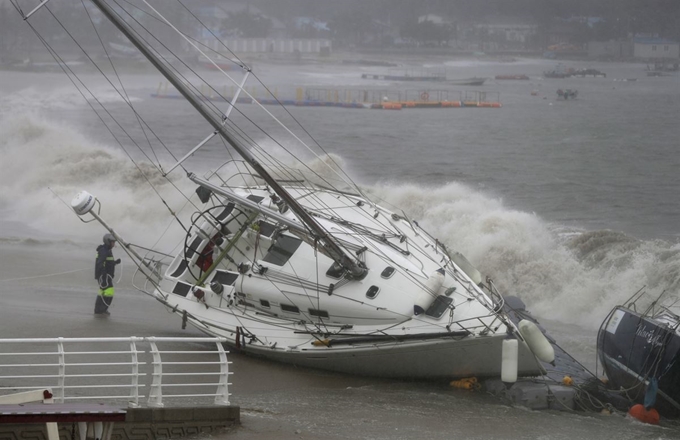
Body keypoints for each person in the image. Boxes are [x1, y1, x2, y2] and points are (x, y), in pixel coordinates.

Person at [94, 233, 121, 315]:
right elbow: (100, 263)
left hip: (105, 275)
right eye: (113, 242)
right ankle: (101, 310)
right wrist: (104, 276)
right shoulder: (103, 250)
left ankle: (99, 310)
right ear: (108, 241)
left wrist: (115, 262)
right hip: (104, 276)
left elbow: (107, 263)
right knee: (109, 291)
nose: (114, 244)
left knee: (103, 291)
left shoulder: (108, 250)